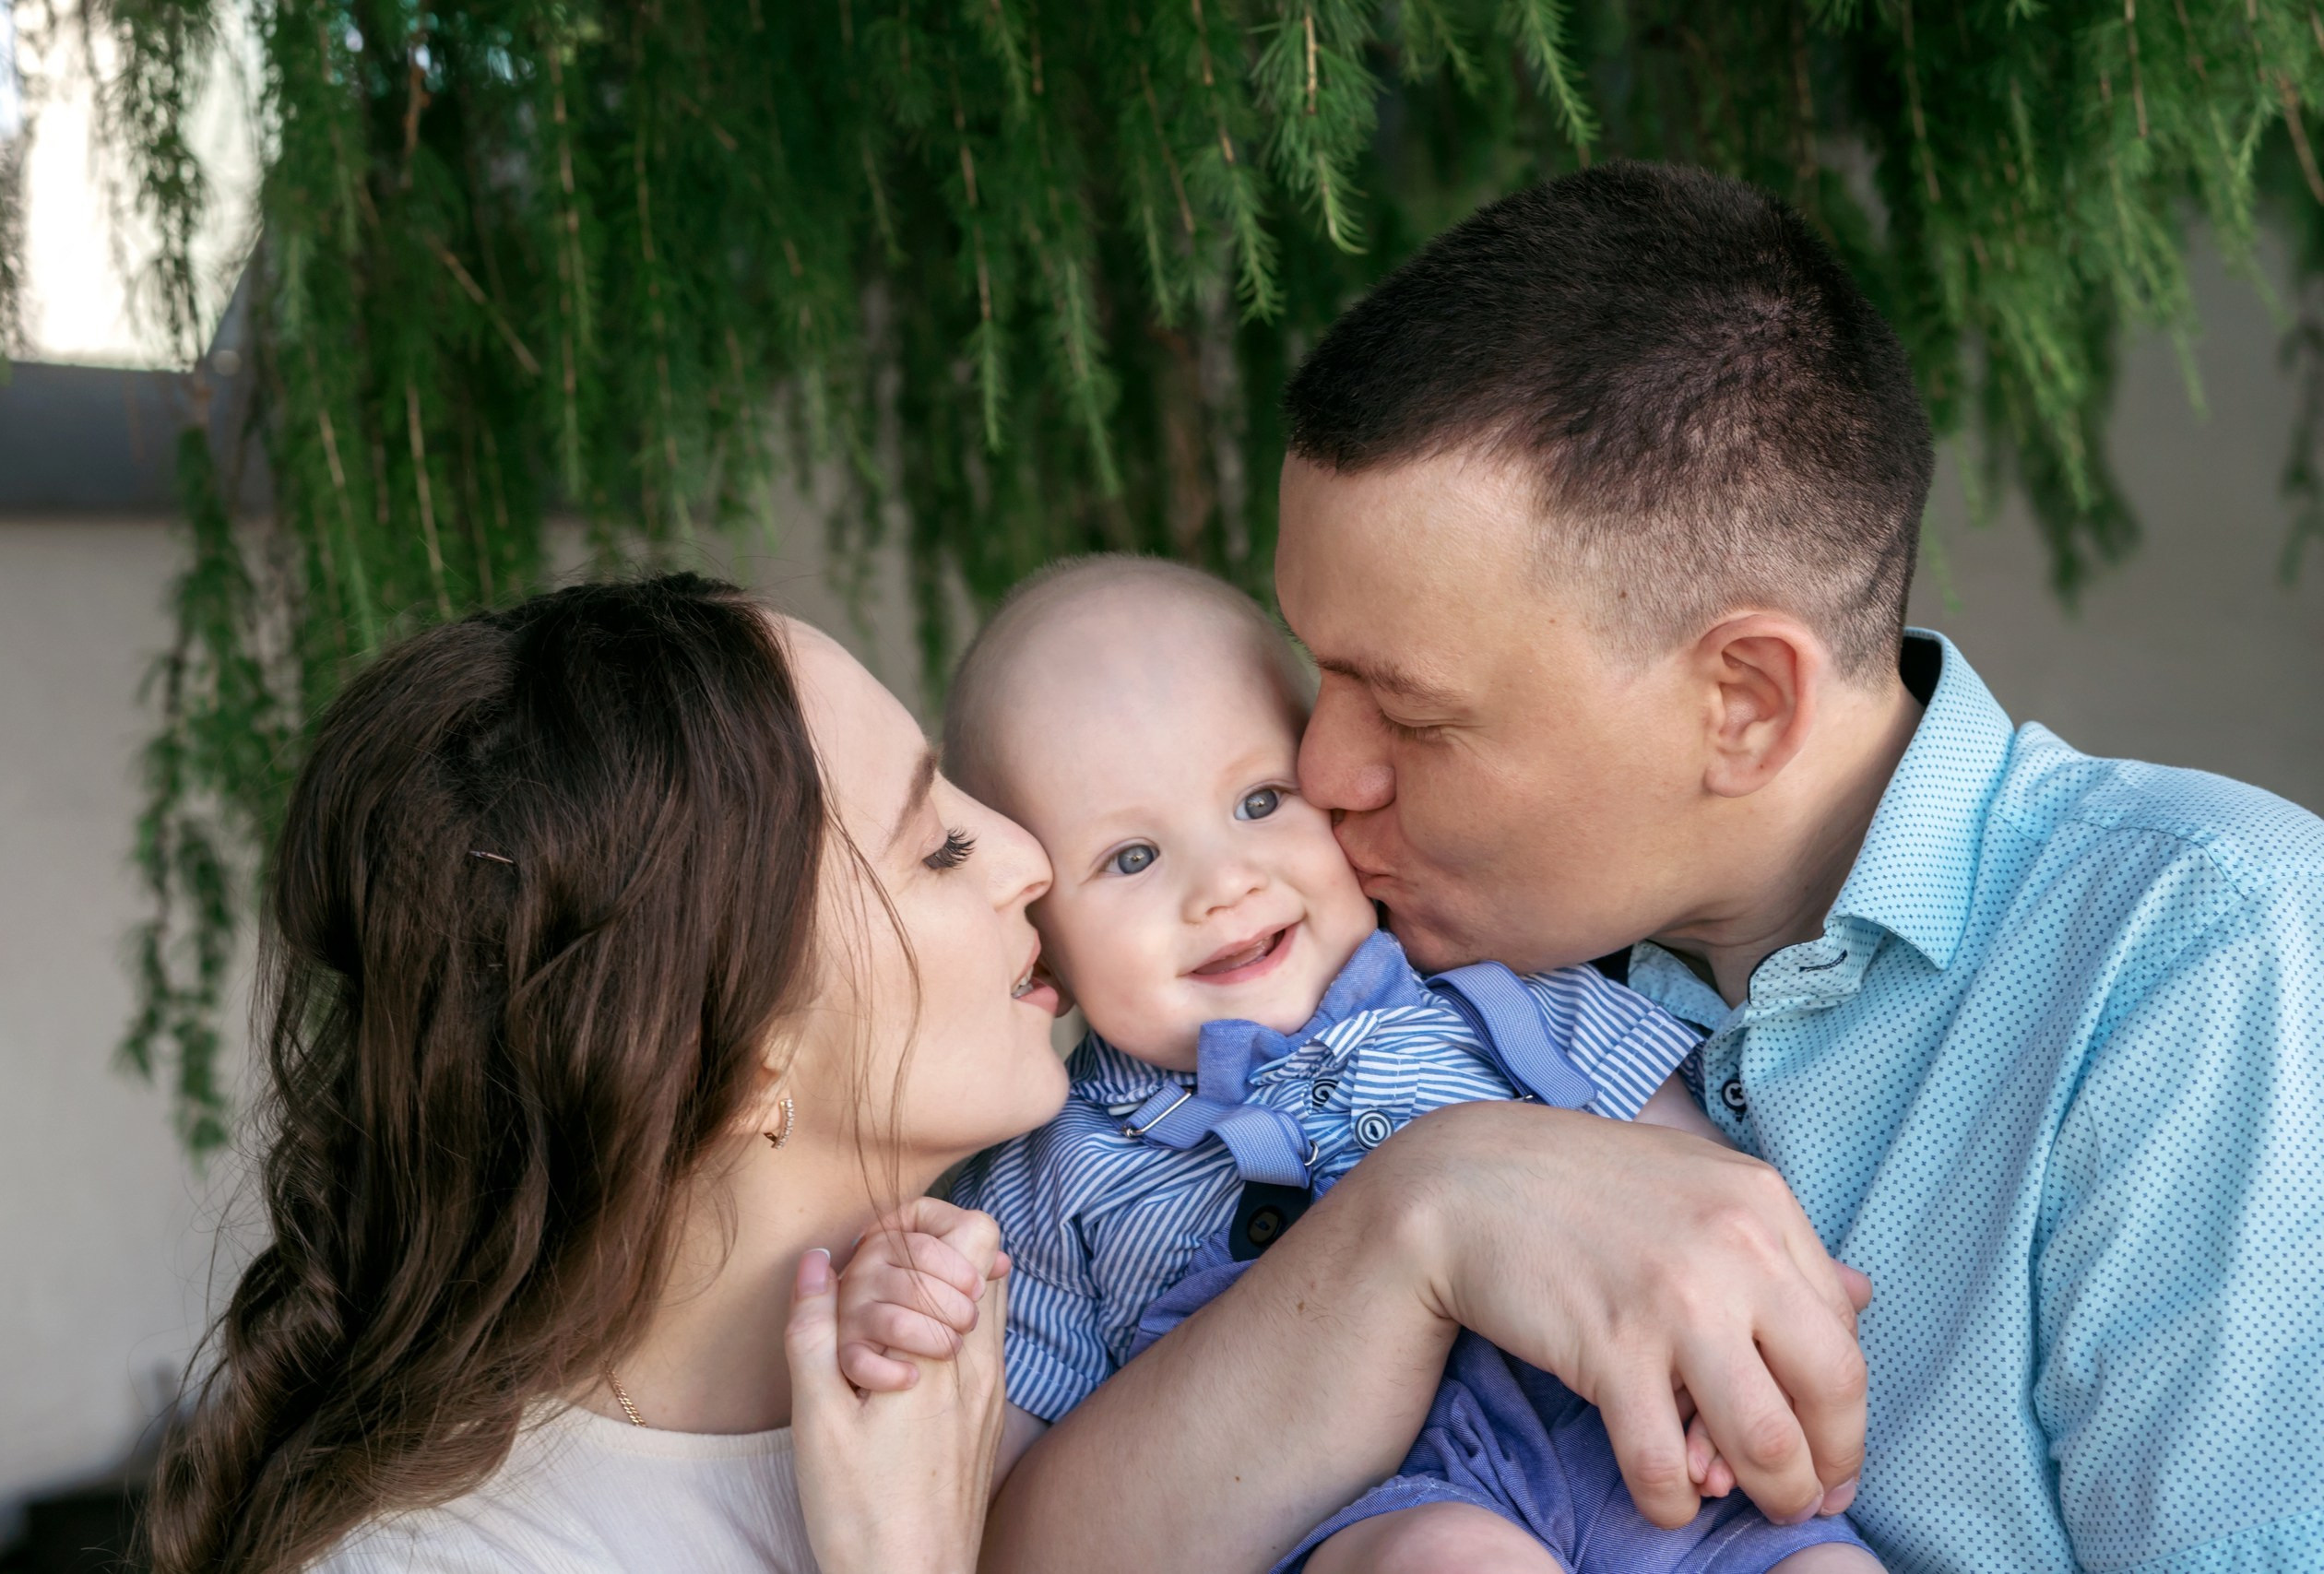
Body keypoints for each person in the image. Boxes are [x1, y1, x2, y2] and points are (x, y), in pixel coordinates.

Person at [982, 165, 2324, 1573]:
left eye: (1412, 711)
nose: (1319, 777)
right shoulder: (1370, 950)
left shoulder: (2204, 960)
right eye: (1316, 678)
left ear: (1741, 701)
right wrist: (1415, 1214)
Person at [911, 553, 1878, 1574]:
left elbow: (1699, 1205)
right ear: (1038, 929)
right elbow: (1004, 1521)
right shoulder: (1048, 1171)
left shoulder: (1514, 996)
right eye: (1131, 859)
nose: (1224, 884)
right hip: (1366, 1513)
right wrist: (916, 1325)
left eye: (1258, 801)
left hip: (1633, 1451)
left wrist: (1726, 1374)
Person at [143, 574, 1072, 1574]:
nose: (1030, 858)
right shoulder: (438, 1560)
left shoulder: (1049, 1327)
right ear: (742, 1058)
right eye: (939, 848)